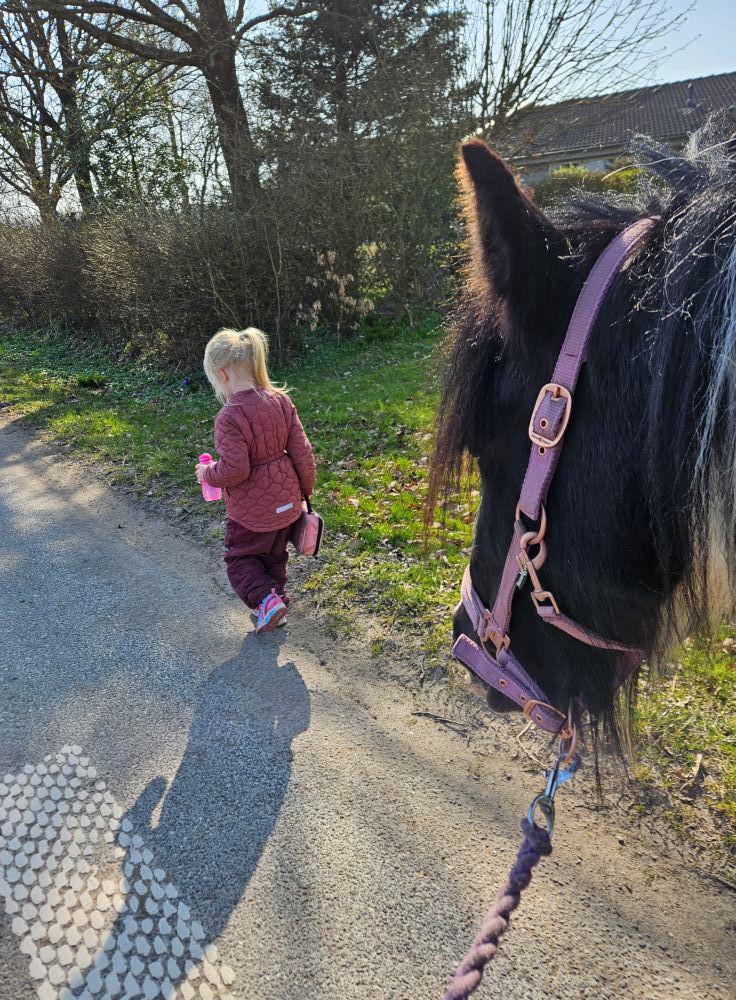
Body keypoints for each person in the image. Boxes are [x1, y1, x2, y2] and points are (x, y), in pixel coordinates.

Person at [196, 327, 316, 633]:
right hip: (287, 500)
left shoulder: (230, 416)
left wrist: (208, 473)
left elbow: (236, 470)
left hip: (250, 511)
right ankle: (277, 603)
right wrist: (304, 492)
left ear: (221, 374)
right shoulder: (280, 401)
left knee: (241, 559)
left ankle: (266, 600)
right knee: (275, 556)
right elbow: (302, 452)